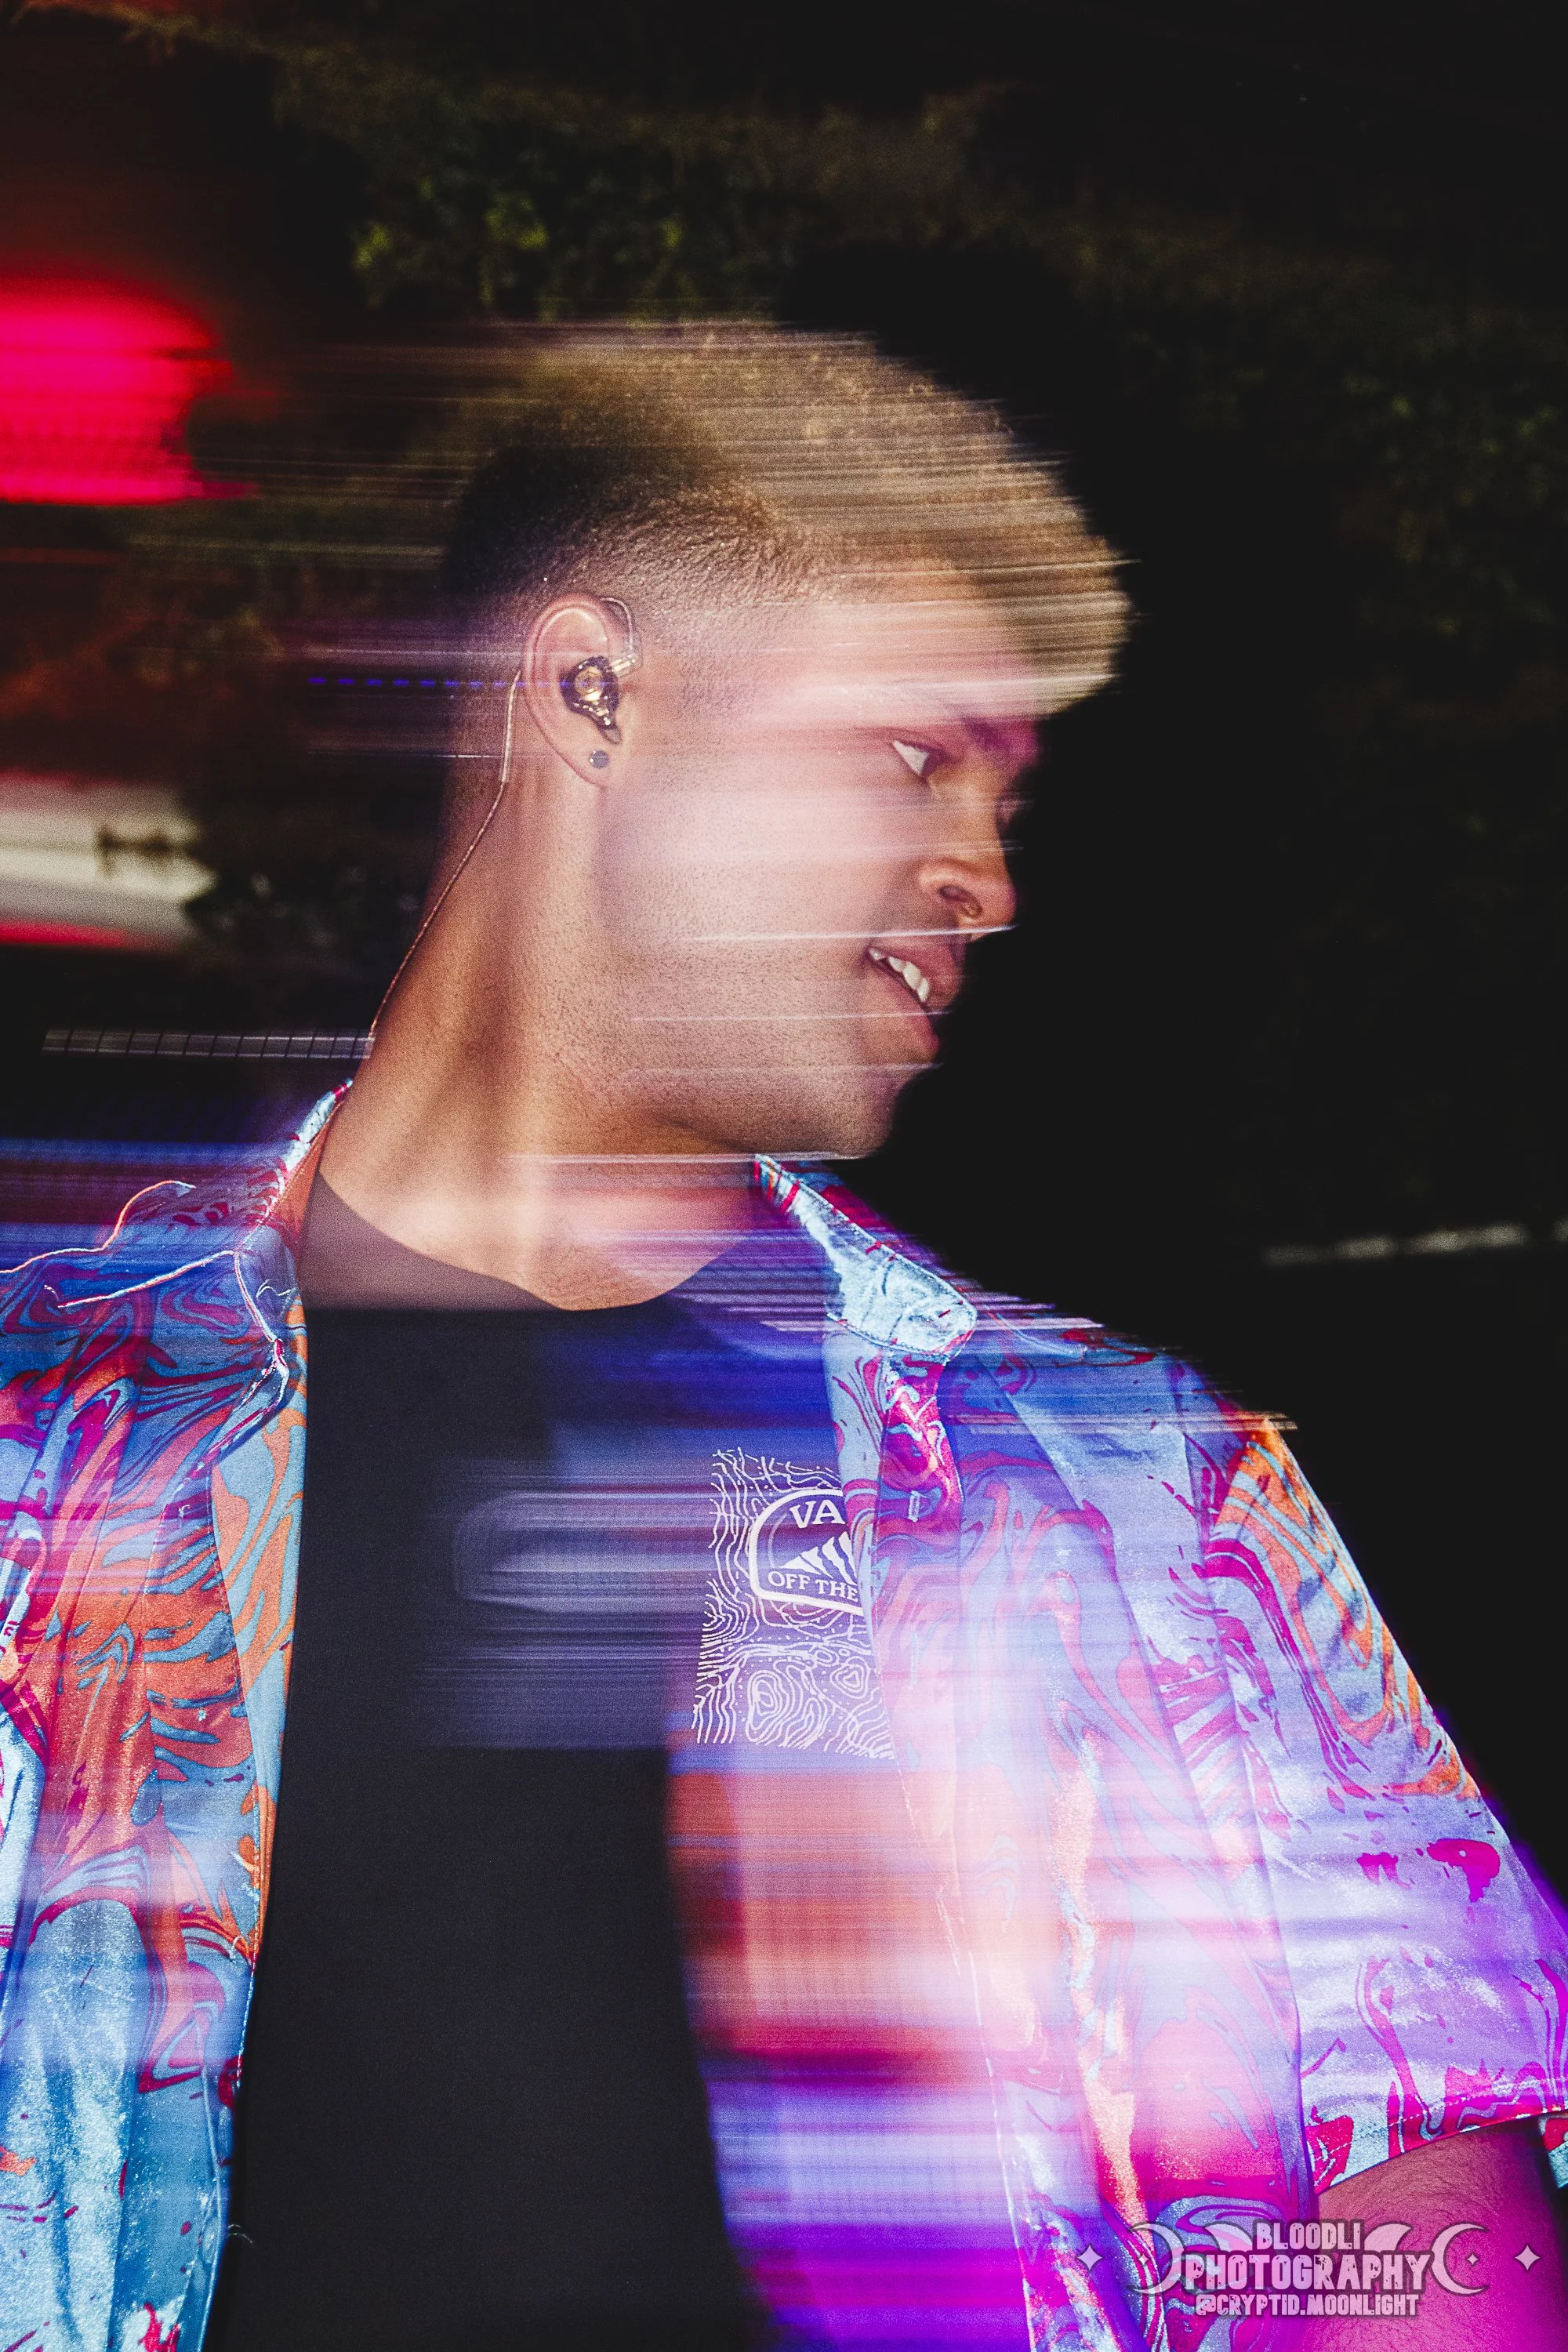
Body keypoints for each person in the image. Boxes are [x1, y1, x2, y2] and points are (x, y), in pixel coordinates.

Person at [1, 327, 1565, 2352]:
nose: (987, 883)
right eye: (907, 755)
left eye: (1008, 793)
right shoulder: (52, 1457)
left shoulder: (1126, 1496)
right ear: (591, 696)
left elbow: (1432, 2225)